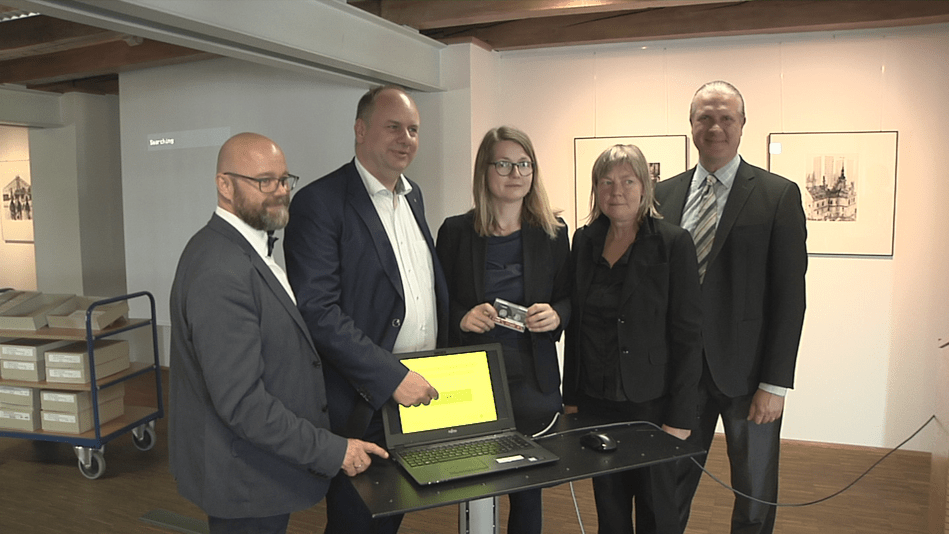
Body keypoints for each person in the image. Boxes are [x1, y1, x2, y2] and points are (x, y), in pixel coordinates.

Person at [168, 132, 387, 534]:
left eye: (284, 180)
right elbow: (243, 404)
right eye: (264, 181)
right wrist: (333, 450)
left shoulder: (250, 250)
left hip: (259, 469)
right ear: (224, 185)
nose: (281, 191)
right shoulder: (221, 270)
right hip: (244, 480)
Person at [284, 85, 448, 534]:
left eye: (413, 130)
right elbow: (318, 311)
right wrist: (392, 377)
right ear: (360, 130)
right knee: (355, 521)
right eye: (393, 127)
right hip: (362, 403)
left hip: (414, 395)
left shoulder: (412, 196)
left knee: (391, 514)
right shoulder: (320, 203)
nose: (405, 139)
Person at [655, 81, 808, 534]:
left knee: (755, 493)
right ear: (691, 125)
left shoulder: (777, 195)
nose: (715, 127)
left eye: (726, 118)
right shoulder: (662, 196)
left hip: (749, 376)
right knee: (668, 485)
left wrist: (775, 384)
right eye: (705, 117)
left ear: (742, 125)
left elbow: (790, 297)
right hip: (679, 373)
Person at [435, 126, 570, 534]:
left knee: (528, 487)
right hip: (473, 378)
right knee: (475, 483)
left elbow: (569, 298)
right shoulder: (455, 232)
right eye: (505, 164)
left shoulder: (554, 233)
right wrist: (461, 317)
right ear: (484, 170)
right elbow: (438, 302)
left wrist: (556, 315)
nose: (516, 173)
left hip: (532, 378)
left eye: (525, 164)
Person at [563, 144, 703, 534]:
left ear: (645, 186)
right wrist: (571, 397)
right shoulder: (584, 240)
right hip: (596, 400)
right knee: (609, 508)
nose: (616, 191)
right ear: (595, 189)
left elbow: (688, 334)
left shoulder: (673, 242)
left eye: (627, 181)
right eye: (606, 182)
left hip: (651, 404)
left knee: (658, 509)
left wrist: (680, 416)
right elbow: (576, 327)